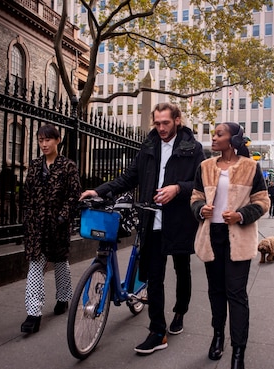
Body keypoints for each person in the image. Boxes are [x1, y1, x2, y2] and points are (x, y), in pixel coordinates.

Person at [80, 103, 205, 355]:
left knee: (182, 269)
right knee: (154, 278)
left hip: (180, 221)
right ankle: (158, 332)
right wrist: (100, 190)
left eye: (165, 123)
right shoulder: (148, 147)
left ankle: (180, 312)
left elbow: (202, 183)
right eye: (157, 123)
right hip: (152, 220)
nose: (160, 128)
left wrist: (178, 188)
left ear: (177, 120)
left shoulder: (193, 149)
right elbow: (129, 177)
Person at [190, 122, 269, 369]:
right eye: (213, 134)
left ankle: (238, 355)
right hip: (212, 238)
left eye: (219, 134)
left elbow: (262, 202)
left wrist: (240, 215)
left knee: (236, 295)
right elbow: (195, 197)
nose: (213, 138)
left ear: (233, 139)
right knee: (216, 292)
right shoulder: (205, 166)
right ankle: (217, 336)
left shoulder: (250, 167)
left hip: (239, 238)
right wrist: (201, 209)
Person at [20, 124, 82, 333]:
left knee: (61, 263)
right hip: (36, 226)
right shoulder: (35, 165)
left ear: (57, 140)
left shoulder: (68, 166)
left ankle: (64, 298)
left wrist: (62, 217)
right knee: (36, 265)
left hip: (57, 225)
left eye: (47, 140)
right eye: (40, 140)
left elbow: (74, 196)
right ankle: (33, 313)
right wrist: (29, 219)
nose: (44, 144)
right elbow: (27, 194)